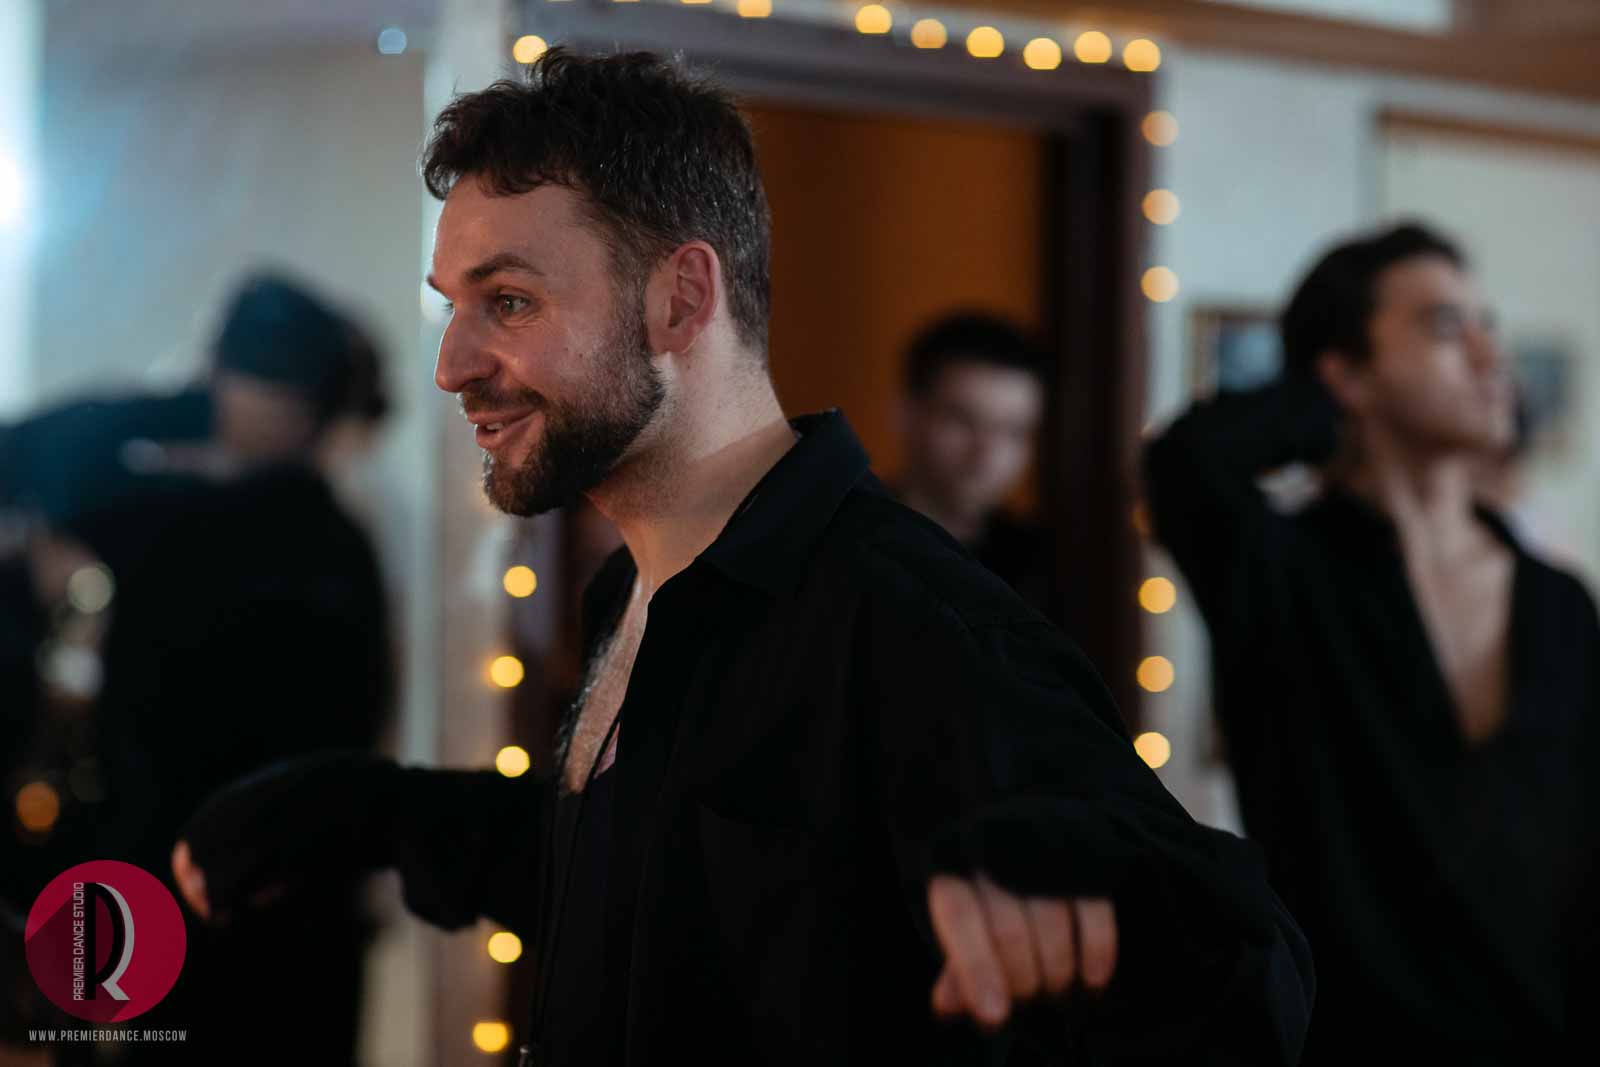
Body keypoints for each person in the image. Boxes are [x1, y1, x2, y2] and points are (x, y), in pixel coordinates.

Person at [173, 49, 1312, 1066]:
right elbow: (653, 881)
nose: (452, 364)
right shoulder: (631, 588)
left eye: (509, 301)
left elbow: (1249, 964)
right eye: (453, 307)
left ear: (680, 299)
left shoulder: (912, 620)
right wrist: (371, 809)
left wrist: (1105, 909)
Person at [1143, 221, 1598, 1064]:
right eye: (1444, 326)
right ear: (1346, 372)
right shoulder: (1280, 569)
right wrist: (1328, 406)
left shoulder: (1560, 603)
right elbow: (1184, 461)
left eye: (1487, 324)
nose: (1489, 354)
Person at [0, 274, 394, 1064]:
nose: (214, 383)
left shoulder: (246, 532)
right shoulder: (241, 524)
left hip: (238, 924)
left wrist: (185, 407)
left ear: (295, 402)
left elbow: (24, 456)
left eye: (236, 370)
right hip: (212, 916)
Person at [892, 313, 1058, 623]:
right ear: (907, 414)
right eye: (962, 421)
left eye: (1013, 431)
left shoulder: (1047, 568)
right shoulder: (840, 544)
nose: (986, 454)